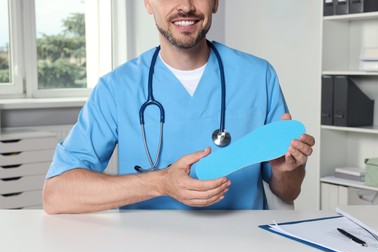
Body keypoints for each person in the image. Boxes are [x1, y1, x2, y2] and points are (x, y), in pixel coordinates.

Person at [42, 0, 315, 214]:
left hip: (243, 245)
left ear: (215, 2)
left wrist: (285, 170)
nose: (185, 5)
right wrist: (160, 183)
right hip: (148, 246)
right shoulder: (116, 88)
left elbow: (288, 193)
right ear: (149, 3)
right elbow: (57, 194)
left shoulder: (258, 76)